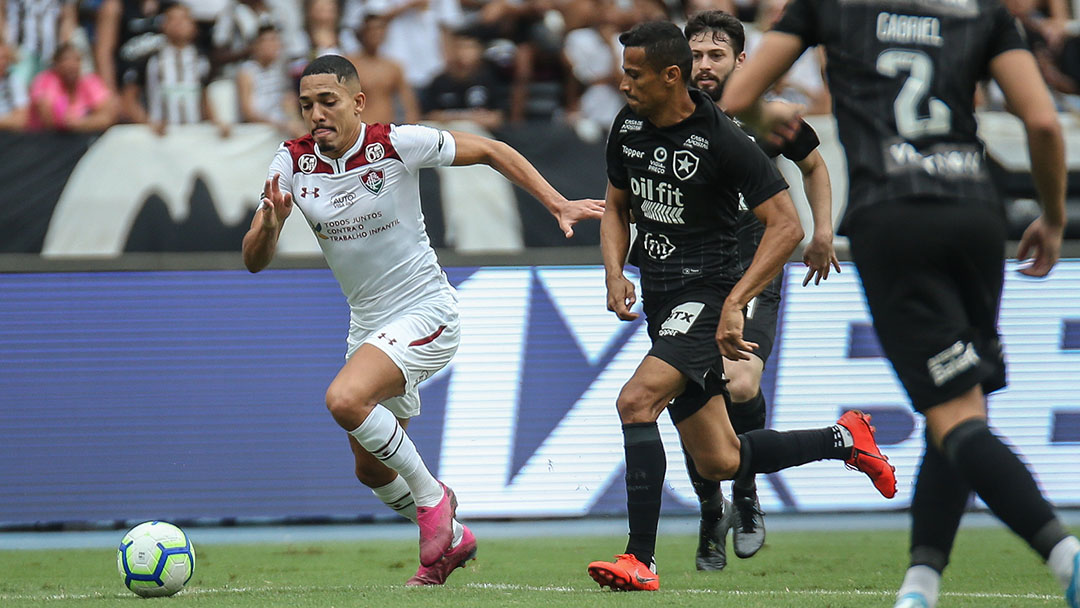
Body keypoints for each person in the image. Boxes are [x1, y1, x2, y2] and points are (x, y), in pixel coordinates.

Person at [721, 2, 1080, 607]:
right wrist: (1052, 215)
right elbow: (1043, 122)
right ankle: (920, 585)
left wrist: (764, 113)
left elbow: (738, 97)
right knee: (959, 404)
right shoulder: (984, 11)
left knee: (954, 415)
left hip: (894, 216)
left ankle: (1066, 557)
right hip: (974, 213)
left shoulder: (832, 7)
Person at [242, 54, 603, 586]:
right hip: (367, 326)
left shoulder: (397, 143)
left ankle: (435, 499)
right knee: (370, 469)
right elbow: (253, 260)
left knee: (344, 400)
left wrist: (556, 203)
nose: (316, 114)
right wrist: (271, 223)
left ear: (358, 103)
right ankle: (451, 539)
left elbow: (492, 149)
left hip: (425, 310)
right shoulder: (291, 161)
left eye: (328, 101)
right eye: (306, 105)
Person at [586, 21, 895, 592]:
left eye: (634, 74)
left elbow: (786, 225)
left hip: (709, 293)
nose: (623, 84)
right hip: (661, 296)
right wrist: (613, 271)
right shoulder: (627, 125)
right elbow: (616, 206)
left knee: (637, 400)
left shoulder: (728, 135)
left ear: (670, 76)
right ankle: (844, 439)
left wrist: (735, 302)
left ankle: (640, 558)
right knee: (720, 460)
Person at [680, 8, 839, 570]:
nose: (704, 65)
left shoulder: (766, 117)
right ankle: (710, 510)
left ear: (741, 60)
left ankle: (745, 493)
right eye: (696, 55)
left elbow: (815, 167)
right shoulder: (667, 119)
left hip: (752, 272)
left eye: (716, 55)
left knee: (741, 382)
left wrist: (822, 231)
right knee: (688, 395)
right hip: (686, 278)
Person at [27, 41, 117, 132]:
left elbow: (108, 116)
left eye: (76, 60)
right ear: (56, 64)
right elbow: (46, 114)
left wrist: (80, 123)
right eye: (66, 60)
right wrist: (64, 122)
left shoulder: (89, 82)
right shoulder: (46, 81)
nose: (71, 65)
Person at [347, 13, 419, 125]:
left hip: (386, 129)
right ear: (362, 32)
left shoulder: (393, 67)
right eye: (371, 30)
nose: (376, 34)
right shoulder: (350, 65)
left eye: (379, 29)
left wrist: (411, 127)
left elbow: (409, 104)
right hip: (359, 128)